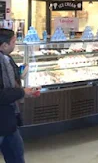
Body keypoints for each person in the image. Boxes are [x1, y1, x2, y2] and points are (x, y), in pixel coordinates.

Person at [0, 29, 40, 163]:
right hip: (3, 119)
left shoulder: (6, 58)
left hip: (9, 119)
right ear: (4, 45)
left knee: (16, 154)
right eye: (13, 42)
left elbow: (15, 74)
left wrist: (22, 72)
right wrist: (23, 92)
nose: (15, 45)